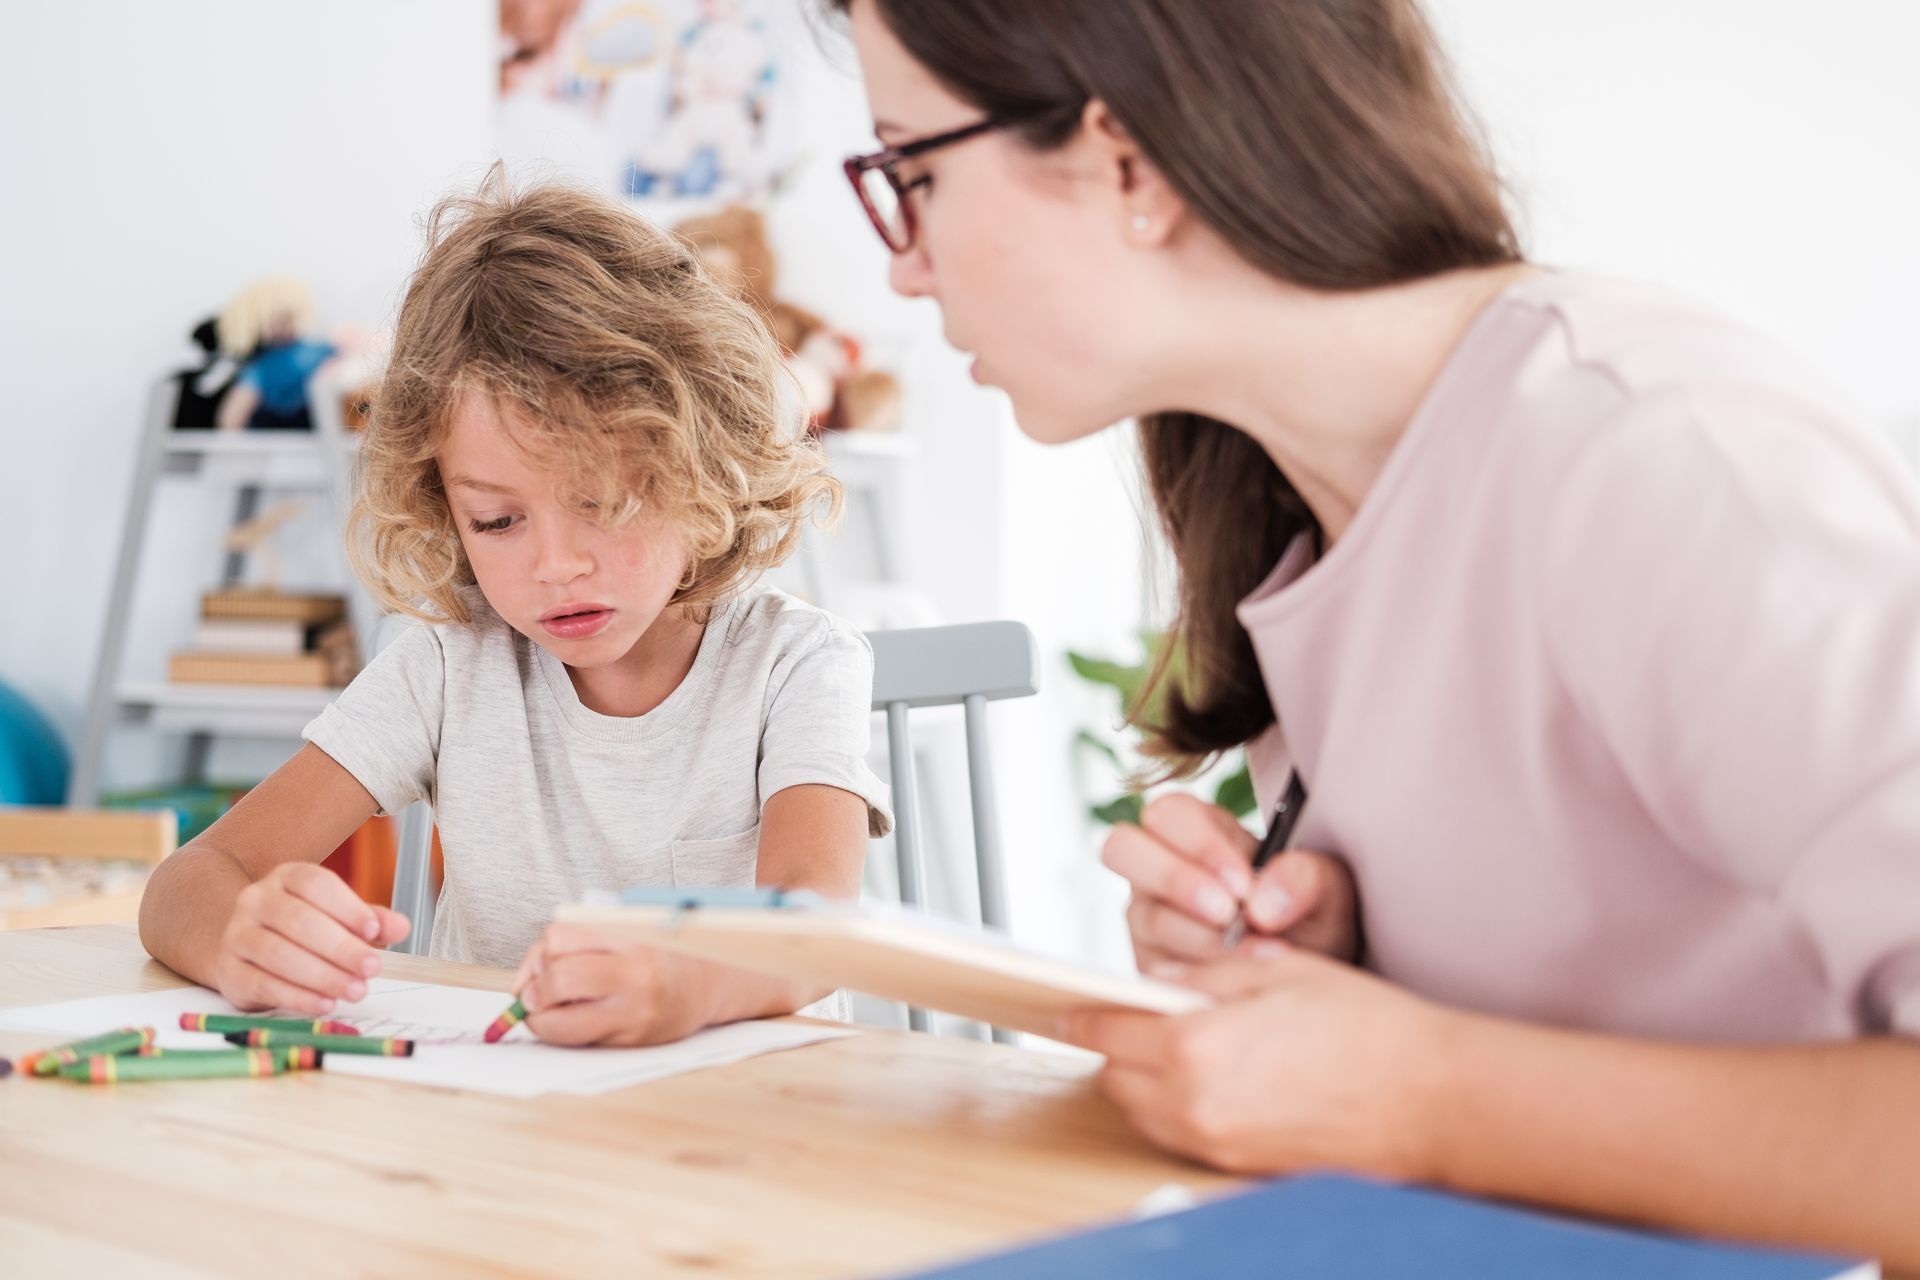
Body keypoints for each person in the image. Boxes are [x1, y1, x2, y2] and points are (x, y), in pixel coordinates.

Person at [831, 0, 1920, 1265]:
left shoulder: (1660, 456)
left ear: (1121, 158)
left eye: (912, 172)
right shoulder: (1310, 506)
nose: (902, 265)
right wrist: (1333, 975)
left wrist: (1422, 1089)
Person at [141, 177, 892, 1047]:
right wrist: (240, 935)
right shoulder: (452, 665)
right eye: (496, 521)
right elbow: (189, 881)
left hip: (751, 1132)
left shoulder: (798, 664)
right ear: (443, 508)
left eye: (605, 503)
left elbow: (815, 929)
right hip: (509, 1134)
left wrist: (689, 982)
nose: (555, 566)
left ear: (704, 466)